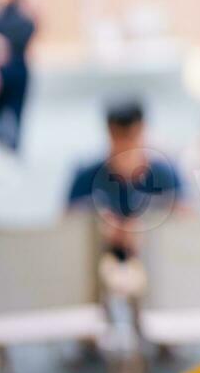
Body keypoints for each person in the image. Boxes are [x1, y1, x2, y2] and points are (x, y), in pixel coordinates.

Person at [67, 98, 185, 262]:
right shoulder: (85, 178)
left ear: (143, 131)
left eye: (131, 136)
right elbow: (65, 225)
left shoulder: (166, 175)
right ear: (109, 133)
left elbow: (188, 221)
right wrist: (97, 224)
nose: (125, 145)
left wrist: (148, 224)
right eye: (118, 137)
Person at [0, 0, 37, 155]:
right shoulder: (24, 17)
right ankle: (13, 145)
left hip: (5, 69)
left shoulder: (3, 17)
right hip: (18, 68)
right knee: (17, 109)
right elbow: (34, 29)